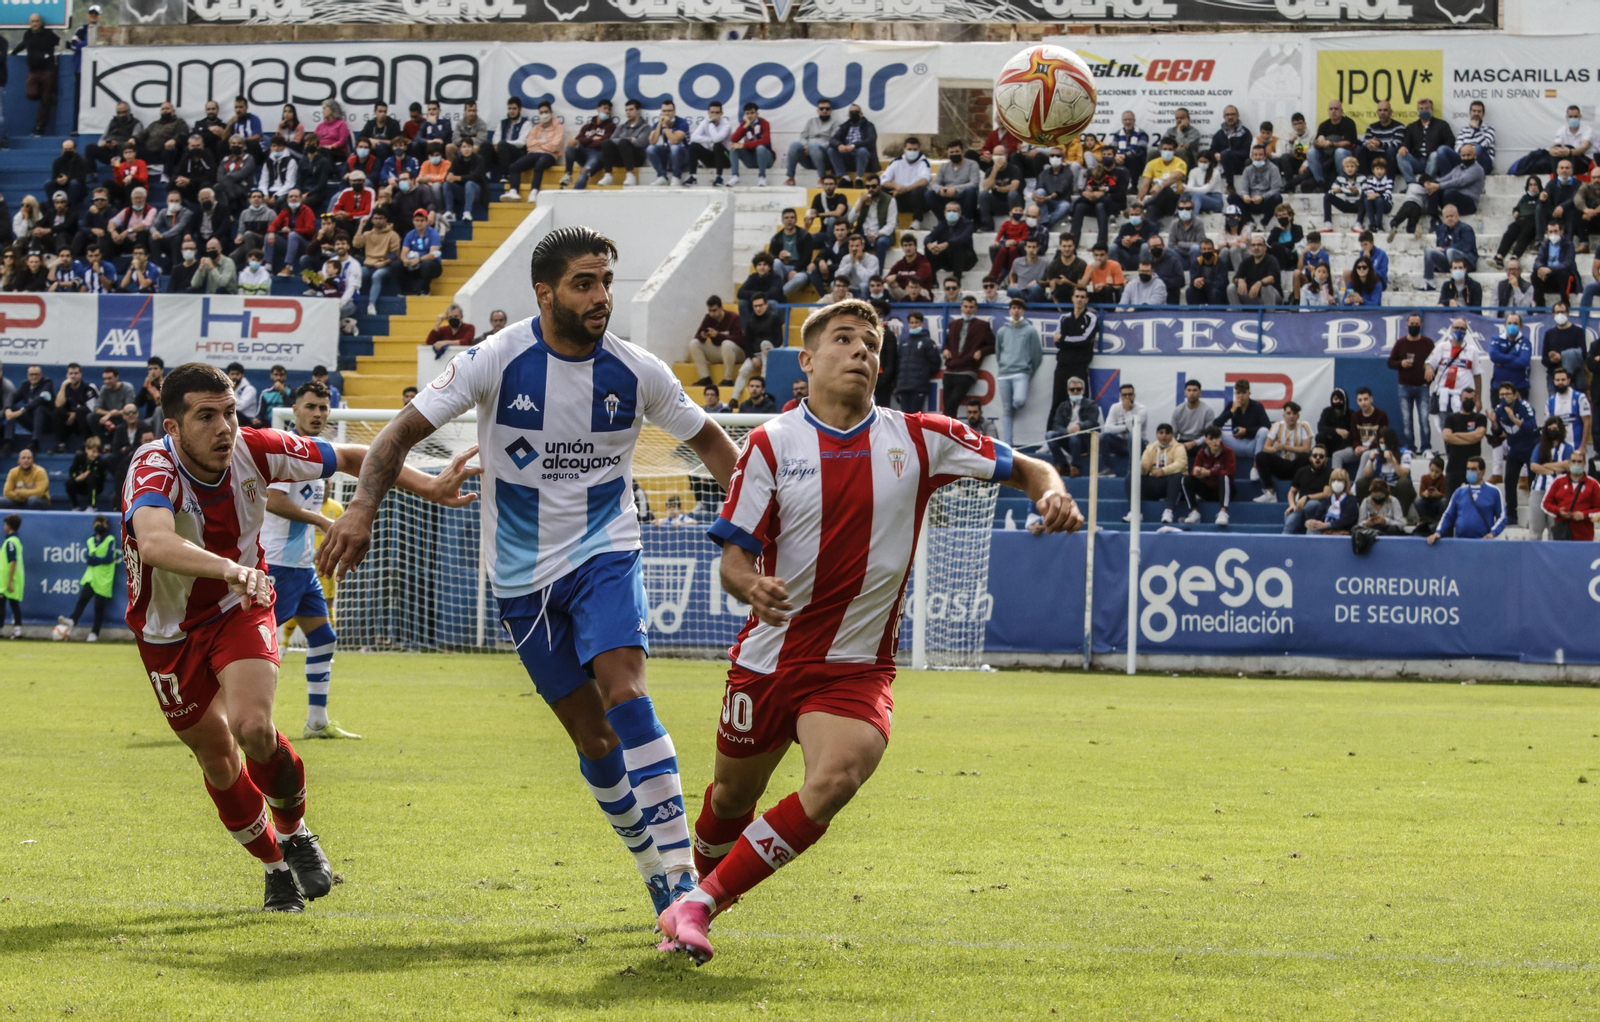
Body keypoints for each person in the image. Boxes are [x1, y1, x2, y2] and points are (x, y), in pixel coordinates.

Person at [318, 226, 741, 921]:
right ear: (544, 292)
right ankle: (650, 867)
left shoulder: (638, 371)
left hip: (606, 549)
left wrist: (758, 531)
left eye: (607, 280)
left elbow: (716, 448)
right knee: (592, 739)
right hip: (521, 577)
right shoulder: (494, 359)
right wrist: (363, 508)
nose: (601, 295)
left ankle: (683, 877)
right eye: (584, 283)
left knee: (625, 690)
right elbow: (396, 434)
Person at [657, 299, 1080, 964]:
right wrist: (753, 587)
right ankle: (683, 894)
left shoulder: (918, 437)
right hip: (768, 661)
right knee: (732, 799)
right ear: (809, 360)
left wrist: (1052, 491)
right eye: (845, 339)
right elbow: (734, 562)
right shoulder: (769, 446)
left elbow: (1029, 467)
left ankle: (702, 904)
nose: (862, 352)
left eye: (872, 345)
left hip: (855, 668)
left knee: (836, 778)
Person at [257, 382, 361, 739]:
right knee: (259, 645)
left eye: (324, 408)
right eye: (311, 407)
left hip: (302, 566)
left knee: (323, 638)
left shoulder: (321, 455)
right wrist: (321, 521)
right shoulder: (282, 449)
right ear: (295, 409)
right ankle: (238, 719)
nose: (318, 414)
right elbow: (272, 500)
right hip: (277, 564)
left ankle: (317, 721)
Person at [58, 515, 117, 642]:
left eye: (102, 523)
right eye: (97, 523)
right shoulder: (90, 540)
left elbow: (108, 558)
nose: (99, 525)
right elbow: (89, 559)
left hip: (104, 577)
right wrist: (98, 560)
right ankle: (72, 620)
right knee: (83, 599)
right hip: (91, 576)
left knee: (99, 607)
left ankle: (94, 633)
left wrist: (96, 560)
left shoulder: (110, 539)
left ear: (107, 526)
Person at [993, 299, 1041, 445]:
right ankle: (1009, 444)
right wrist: (1003, 367)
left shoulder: (1030, 330)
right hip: (1004, 374)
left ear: (1023, 311)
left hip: (1021, 373)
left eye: (1019, 308)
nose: (1016, 311)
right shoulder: (1002, 331)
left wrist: (1028, 372)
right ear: (1009, 310)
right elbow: (998, 352)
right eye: (1013, 308)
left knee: (1019, 401)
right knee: (1007, 411)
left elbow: (1036, 355)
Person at [1492, 381, 1539, 528]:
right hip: (1514, 450)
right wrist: (1493, 421)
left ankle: (1534, 517)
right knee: (1509, 483)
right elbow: (1498, 433)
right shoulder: (1499, 409)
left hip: (1531, 449)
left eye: (1507, 394)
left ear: (1515, 395)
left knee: (1534, 485)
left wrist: (1514, 420)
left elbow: (1532, 428)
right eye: (1501, 394)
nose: (1504, 397)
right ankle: (1511, 516)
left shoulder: (1525, 407)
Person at [1427, 457, 1504, 542]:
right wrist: (1438, 532)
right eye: (1468, 469)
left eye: (1474, 469)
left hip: (1484, 543)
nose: (1470, 472)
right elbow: (1448, 515)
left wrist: (1493, 533)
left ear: (1483, 471)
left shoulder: (1494, 491)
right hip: (1461, 542)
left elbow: (1502, 517)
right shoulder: (1459, 492)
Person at [941, 296, 994, 416]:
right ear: (961, 307)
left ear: (976, 308)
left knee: (952, 403)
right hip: (950, 369)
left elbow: (992, 345)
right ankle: (949, 431)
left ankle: (949, 431)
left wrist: (981, 351)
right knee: (948, 405)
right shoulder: (953, 324)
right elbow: (948, 343)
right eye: (965, 306)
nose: (968, 310)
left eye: (971, 307)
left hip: (967, 370)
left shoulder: (983, 325)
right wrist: (945, 350)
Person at [1526, 417, 1575, 540]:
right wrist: (1555, 469)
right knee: (1535, 529)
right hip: (1539, 490)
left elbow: (1568, 465)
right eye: (1550, 429)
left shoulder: (1568, 448)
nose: (1553, 431)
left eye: (1555, 429)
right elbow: (1533, 466)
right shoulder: (1540, 446)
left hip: (1559, 492)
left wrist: (1545, 465)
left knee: (1555, 529)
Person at [1253, 400, 1312, 500]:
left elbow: (1306, 449)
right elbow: (1266, 448)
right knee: (1261, 456)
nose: (1291, 416)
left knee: (1306, 457)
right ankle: (1270, 493)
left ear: (1298, 416)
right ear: (1284, 415)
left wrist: (1286, 447)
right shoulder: (1277, 426)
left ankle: (1300, 491)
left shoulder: (1304, 426)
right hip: (1281, 465)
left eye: (1294, 413)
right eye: (1288, 413)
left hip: (1296, 466)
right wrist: (1275, 448)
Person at [1129, 422, 1187, 523]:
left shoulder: (1179, 447)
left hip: (1172, 483)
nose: (1164, 435)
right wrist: (1143, 468)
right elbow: (1143, 463)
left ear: (1172, 435)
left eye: (1167, 433)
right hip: (1155, 482)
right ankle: (1135, 512)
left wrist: (1163, 471)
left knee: (1178, 475)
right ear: (1156, 434)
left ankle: (1169, 511)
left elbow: (1181, 464)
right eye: (1161, 433)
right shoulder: (1150, 448)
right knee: (1131, 476)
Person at [1212, 379, 1269, 474]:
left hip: (1252, 445)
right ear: (1235, 393)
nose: (1241, 396)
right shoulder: (1231, 405)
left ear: (1249, 393)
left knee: (1263, 431)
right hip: (1236, 444)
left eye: (1243, 393)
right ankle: (1216, 465)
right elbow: (1216, 424)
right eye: (1238, 393)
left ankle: (1256, 467)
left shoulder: (1257, 406)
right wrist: (1231, 411)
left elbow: (1267, 426)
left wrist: (1246, 431)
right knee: (1215, 432)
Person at [1181, 426, 1235, 527]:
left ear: (1221, 438)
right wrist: (1197, 472)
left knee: (1224, 476)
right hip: (1208, 490)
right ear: (1206, 440)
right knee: (1186, 479)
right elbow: (1194, 471)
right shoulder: (1201, 453)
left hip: (1224, 490)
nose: (1214, 441)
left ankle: (1223, 512)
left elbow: (1231, 472)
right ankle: (1194, 512)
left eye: (1216, 438)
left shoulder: (1228, 452)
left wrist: (1209, 472)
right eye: (1211, 439)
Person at [1331, 387, 1390, 476]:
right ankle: (1337, 481)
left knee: (1366, 455)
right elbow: (1354, 437)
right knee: (1337, 455)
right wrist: (1356, 447)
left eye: (1365, 399)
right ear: (1357, 402)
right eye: (1360, 400)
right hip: (1360, 448)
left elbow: (1383, 438)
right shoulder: (1355, 416)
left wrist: (1368, 448)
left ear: (1371, 399)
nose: (1363, 402)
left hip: (1374, 448)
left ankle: (1356, 488)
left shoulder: (1381, 415)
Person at [1539, 455, 1600, 541]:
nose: (1576, 464)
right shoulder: (1558, 481)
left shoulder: (1593, 484)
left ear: (1584, 463)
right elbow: (1546, 503)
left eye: (1579, 462)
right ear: (1569, 463)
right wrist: (1558, 511)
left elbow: (1598, 509)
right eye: (1573, 461)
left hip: (1584, 535)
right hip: (1562, 533)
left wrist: (1584, 515)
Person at [1441, 385, 1488, 494]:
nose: (1469, 401)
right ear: (1460, 399)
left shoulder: (1480, 418)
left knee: (1473, 499)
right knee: (1451, 501)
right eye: (1466, 399)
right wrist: (1470, 438)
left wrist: (1456, 435)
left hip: (1473, 468)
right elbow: (1447, 436)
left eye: (1471, 399)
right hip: (1454, 467)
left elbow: (1478, 436)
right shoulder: (1451, 418)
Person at [784, 99, 836, 186]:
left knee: (814, 145)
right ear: (818, 110)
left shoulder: (835, 123)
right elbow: (803, 136)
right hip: (808, 157)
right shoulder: (811, 121)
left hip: (824, 157)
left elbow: (834, 140)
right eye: (822, 108)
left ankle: (822, 178)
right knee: (794, 145)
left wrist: (812, 148)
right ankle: (790, 177)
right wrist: (806, 146)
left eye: (827, 109)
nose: (824, 111)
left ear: (831, 111)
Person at [1281, 446, 1333, 534]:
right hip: (1300, 507)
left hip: (1319, 507)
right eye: (1315, 455)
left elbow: (1326, 494)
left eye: (1321, 456)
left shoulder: (1330, 472)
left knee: (1311, 504)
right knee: (1290, 516)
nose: (1317, 458)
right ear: (1310, 458)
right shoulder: (1301, 471)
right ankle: (1283, 540)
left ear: (1326, 459)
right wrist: (1292, 505)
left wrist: (1307, 497)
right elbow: (1292, 491)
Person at [1102, 383, 1147, 472]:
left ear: (1134, 395)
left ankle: (1132, 470)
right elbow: (1107, 428)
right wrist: (1124, 427)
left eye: (1130, 395)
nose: (1127, 397)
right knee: (1103, 437)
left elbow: (1133, 430)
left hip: (1139, 444)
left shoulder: (1141, 409)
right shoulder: (1115, 407)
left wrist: (1128, 411)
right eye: (1124, 395)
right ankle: (1108, 468)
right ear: (1120, 396)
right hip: (1121, 443)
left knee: (1132, 436)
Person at [1547, 367, 1592, 455]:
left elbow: (1588, 422)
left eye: (1563, 380)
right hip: (1557, 450)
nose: (1560, 382)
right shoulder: (1550, 401)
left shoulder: (1580, 398)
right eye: (1558, 380)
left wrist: (1582, 446)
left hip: (1576, 448)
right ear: (1554, 381)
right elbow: (1548, 426)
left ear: (1568, 381)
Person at [828, 103, 876, 186]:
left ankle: (859, 179)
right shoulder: (845, 126)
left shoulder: (869, 125)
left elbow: (871, 140)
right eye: (852, 112)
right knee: (831, 150)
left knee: (862, 150)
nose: (854, 114)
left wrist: (853, 146)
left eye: (856, 112)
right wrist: (839, 145)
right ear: (848, 115)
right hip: (847, 155)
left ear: (861, 114)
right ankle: (845, 178)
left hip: (862, 157)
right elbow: (832, 139)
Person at [729, 102, 775, 186]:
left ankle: (762, 177)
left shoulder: (764, 123)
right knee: (734, 147)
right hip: (751, 160)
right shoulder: (744, 124)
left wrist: (744, 145)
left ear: (757, 114)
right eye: (747, 113)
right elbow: (733, 139)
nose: (750, 116)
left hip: (766, 159)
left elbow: (765, 141)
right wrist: (746, 125)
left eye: (752, 113)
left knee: (760, 148)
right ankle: (735, 176)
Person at [1534, 220, 1578, 307]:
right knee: (1535, 274)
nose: (1553, 234)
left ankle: (1565, 302)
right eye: (1550, 232)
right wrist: (1540, 268)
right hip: (1548, 276)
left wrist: (1550, 269)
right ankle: (1539, 305)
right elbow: (1538, 260)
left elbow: (1568, 263)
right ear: (1547, 233)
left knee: (1563, 274)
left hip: (1562, 274)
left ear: (1561, 231)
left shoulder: (1568, 244)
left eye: (1555, 231)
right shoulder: (1544, 244)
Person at [1301, 469, 1358, 536]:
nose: (1336, 482)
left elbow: (1346, 520)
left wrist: (1327, 525)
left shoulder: (1351, 500)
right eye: (1333, 480)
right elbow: (1317, 517)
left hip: (1342, 532)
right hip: (1325, 531)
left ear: (1346, 482)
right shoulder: (1327, 500)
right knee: (1312, 529)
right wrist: (1308, 522)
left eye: (1339, 480)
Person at [1230, 235, 1281, 306]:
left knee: (1266, 287)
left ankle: (1270, 316)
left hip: (1273, 297)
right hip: (1253, 298)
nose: (1256, 247)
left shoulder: (1271, 260)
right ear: (1250, 248)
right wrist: (1240, 280)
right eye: (1253, 245)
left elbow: (1272, 278)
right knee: (1231, 288)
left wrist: (1259, 283)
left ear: (1265, 248)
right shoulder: (1246, 262)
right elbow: (1235, 278)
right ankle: (1237, 315)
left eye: (1259, 245)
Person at [64, 436, 108, 511]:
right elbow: (72, 471)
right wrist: (77, 477)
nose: (95, 455)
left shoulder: (101, 462)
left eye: (98, 452)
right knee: (69, 482)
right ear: (86, 449)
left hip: (95, 486)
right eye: (93, 452)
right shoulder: (79, 457)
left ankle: (92, 506)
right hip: (81, 484)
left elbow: (101, 478)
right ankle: (75, 506)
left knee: (90, 478)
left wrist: (88, 474)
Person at [2, 515, 20, 638]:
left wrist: (9, 581)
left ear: (9, 526)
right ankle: (18, 630)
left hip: (7, 580)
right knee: (14, 605)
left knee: (2, 605)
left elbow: (13, 561)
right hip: (11, 579)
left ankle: (15, 630)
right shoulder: (15, 540)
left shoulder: (10, 542)